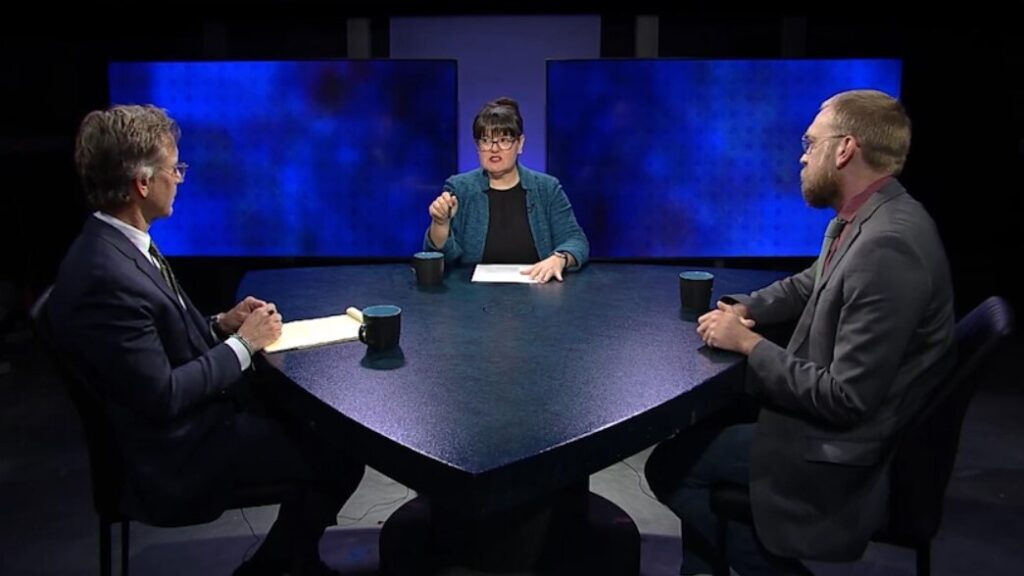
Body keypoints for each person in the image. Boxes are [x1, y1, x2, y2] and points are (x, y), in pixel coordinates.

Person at [644, 90, 955, 575]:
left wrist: (748, 343)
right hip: (836, 425)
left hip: (847, 452)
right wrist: (743, 308)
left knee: (673, 468)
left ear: (845, 149)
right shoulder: (862, 216)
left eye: (811, 142)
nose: (802, 155)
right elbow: (809, 284)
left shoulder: (889, 244)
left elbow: (846, 397)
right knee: (699, 429)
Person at [47, 105, 364, 576]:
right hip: (176, 455)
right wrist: (245, 345)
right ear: (141, 184)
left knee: (315, 420)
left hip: (189, 424)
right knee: (339, 451)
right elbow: (163, 394)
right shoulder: (104, 275)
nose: (180, 178)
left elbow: (158, 333)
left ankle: (288, 559)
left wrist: (220, 325)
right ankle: (277, 566)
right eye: (175, 169)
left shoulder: (119, 242)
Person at [424, 97, 589, 283]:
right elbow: (441, 260)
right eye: (486, 140)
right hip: (472, 299)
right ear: (477, 146)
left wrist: (559, 258)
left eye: (504, 140)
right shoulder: (460, 188)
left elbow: (576, 240)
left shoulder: (547, 188)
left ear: (520, 144)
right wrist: (440, 223)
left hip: (540, 294)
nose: (494, 149)